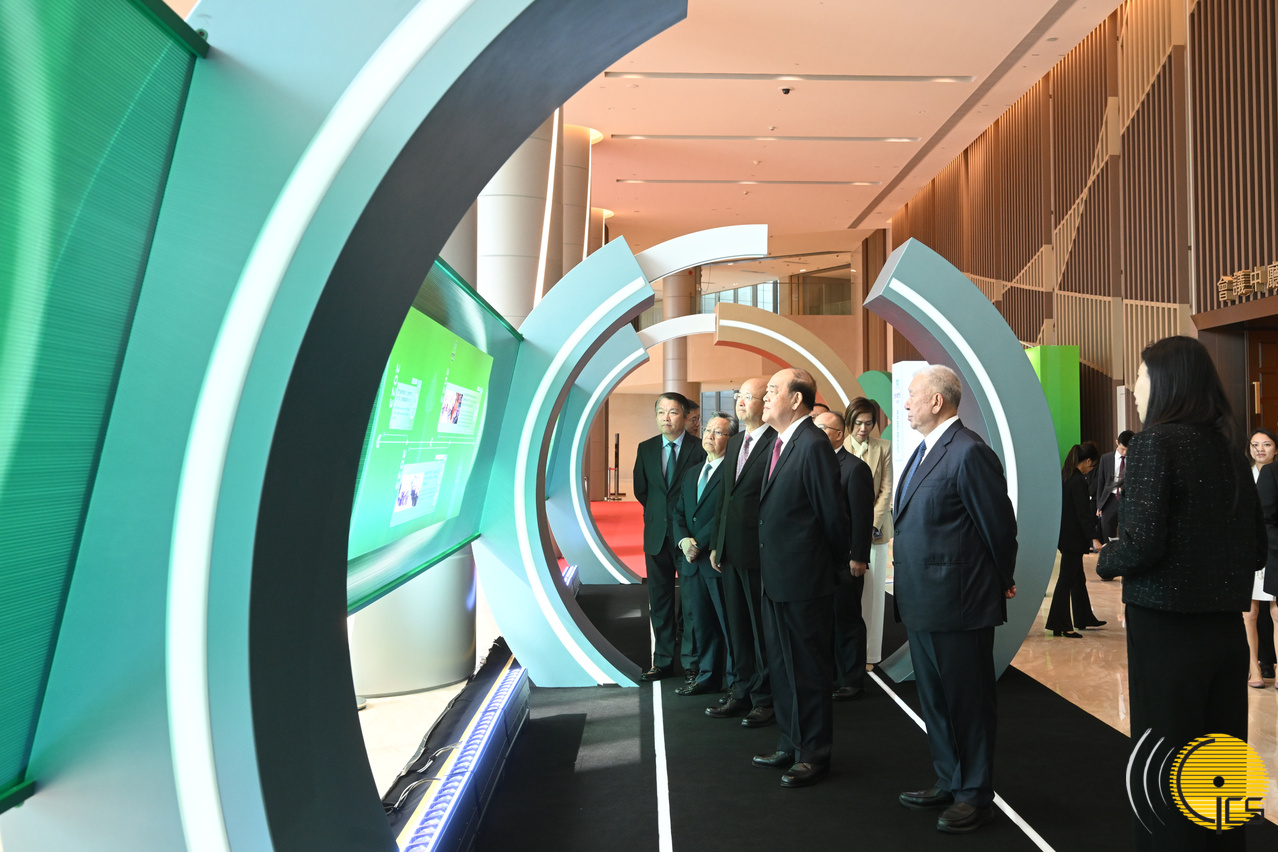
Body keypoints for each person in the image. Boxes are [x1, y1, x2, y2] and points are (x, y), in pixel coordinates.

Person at [1096, 336, 1266, 851]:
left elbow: (1143, 544)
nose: (1135, 388)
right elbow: (1257, 548)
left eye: (1140, 376)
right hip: (1224, 632)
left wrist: (1107, 558)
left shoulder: (1156, 444)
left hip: (1166, 633)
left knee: (1164, 768)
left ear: (1166, 382)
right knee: (1219, 769)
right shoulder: (1231, 452)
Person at [893, 365, 1017, 834]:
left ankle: (974, 795)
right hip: (924, 601)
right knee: (937, 703)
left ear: (937, 401)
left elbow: (998, 527)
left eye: (911, 395)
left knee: (968, 705)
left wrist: (1001, 579)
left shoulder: (968, 452)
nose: (905, 403)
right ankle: (949, 780)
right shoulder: (926, 450)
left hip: (959, 604)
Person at [750, 368, 848, 788]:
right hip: (777, 578)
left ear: (796, 399)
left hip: (805, 581)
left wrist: (827, 568)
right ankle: (791, 742)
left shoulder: (812, 444)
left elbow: (833, 517)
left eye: (773, 390)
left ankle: (814, 754)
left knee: (807, 670)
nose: (765, 397)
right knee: (782, 665)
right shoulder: (781, 441)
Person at [708, 378, 777, 727]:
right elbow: (725, 497)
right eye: (740, 395)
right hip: (730, 551)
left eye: (749, 396)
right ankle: (741, 691)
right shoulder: (735, 442)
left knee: (760, 629)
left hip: (760, 552)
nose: (741, 401)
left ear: (766, 403)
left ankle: (765, 698)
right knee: (737, 627)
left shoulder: (776, 442)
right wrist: (717, 543)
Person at [633, 393, 706, 681]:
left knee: (690, 604)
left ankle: (691, 663)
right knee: (659, 603)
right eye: (661, 412)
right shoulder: (646, 448)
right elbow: (642, 491)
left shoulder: (699, 449)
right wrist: (659, 518)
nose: (666, 417)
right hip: (656, 537)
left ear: (686, 417)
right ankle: (661, 661)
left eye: (673, 412)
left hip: (688, 539)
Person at [671, 414, 736, 696]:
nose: (709, 436)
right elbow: (678, 511)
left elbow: (727, 513)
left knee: (728, 624)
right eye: (708, 430)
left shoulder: (734, 472)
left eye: (718, 432)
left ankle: (735, 682)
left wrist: (699, 541)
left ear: (731, 439)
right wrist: (684, 540)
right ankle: (708, 677)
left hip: (717, 560)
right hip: (692, 561)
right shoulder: (693, 472)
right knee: (702, 624)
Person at [814, 411, 874, 700]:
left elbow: (862, 517)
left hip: (845, 560)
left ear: (839, 434)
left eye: (822, 428)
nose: (816, 432)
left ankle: (852, 679)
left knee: (847, 619)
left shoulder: (854, 468)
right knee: (824, 620)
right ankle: (831, 675)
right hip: (817, 559)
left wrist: (859, 556)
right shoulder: (814, 463)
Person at [843, 396, 894, 664]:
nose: (863, 428)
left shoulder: (884, 447)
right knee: (847, 596)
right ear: (849, 421)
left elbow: (886, 490)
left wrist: (869, 526)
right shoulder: (837, 447)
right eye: (859, 423)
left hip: (875, 532)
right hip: (843, 533)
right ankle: (847, 654)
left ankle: (870, 653)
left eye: (869, 423)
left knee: (873, 595)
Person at [1045, 442, 1105, 638]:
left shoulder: (1067, 477)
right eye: (1092, 465)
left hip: (1066, 537)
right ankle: (1060, 624)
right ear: (1087, 461)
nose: (1091, 469)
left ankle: (1084, 617)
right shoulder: (1078, 481)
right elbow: (1083, 514)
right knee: (1067, 580)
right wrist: (1094, 538)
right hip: (1073, 539)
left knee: (1078, 579)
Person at [1244, 427, 1278, 688]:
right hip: (1247, 547)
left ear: (1275, 449)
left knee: (1275, 611)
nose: (1260, 449)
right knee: (1250, 611)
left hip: (1273, 548)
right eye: (1255, 445)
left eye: (1266, 444)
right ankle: (1253, 667)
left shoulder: (1274, 473)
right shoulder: (1242, 474)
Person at [1094, 430, 1133, 542]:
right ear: (1117, 442)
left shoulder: (1135, 459)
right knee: (1107, 530)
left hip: (1127, 499)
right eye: (1122, 449)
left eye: (1128, 450)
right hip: (1110, 499)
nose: (1125, 453)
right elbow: (1101, 482)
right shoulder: (1106, 458)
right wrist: (1099, 505)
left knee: (1127, 531)